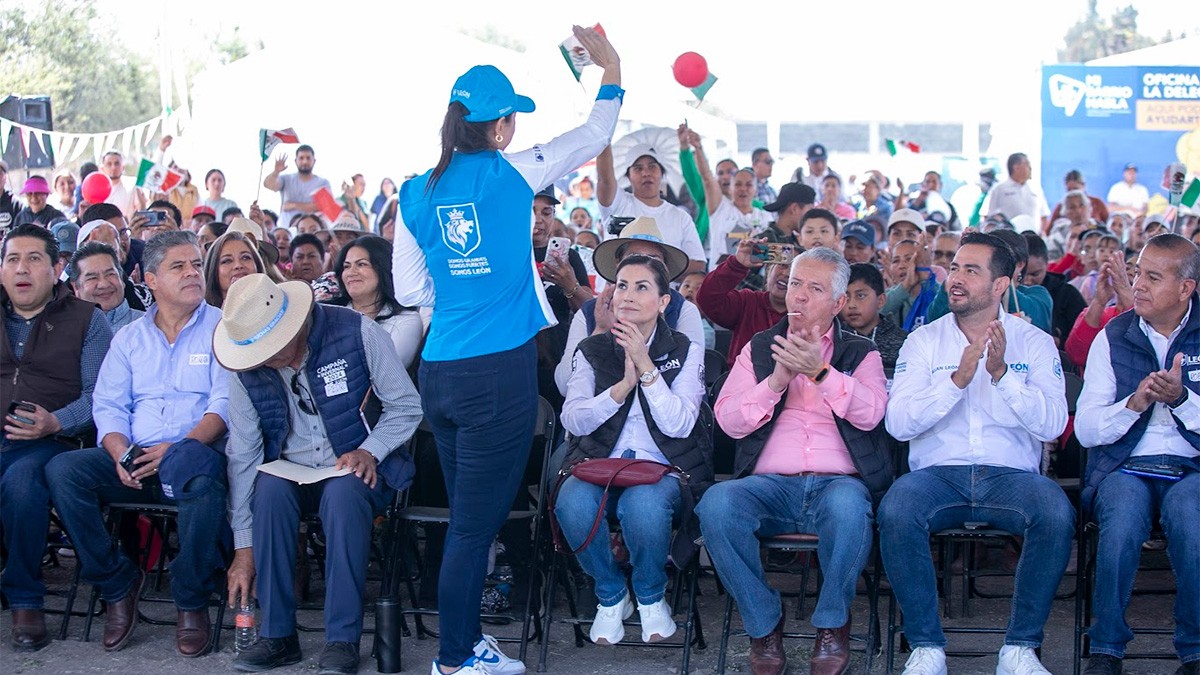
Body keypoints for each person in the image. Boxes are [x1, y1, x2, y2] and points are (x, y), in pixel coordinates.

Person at [391, 26, 622, 675]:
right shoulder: (515, 173)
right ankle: (456, 658)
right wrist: (613, 68)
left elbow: (410, 287)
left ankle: (463, 645)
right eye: (512, 118)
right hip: (498, 373)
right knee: (474, 525)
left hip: (440, 370)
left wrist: (460, 291)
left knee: (471, 521)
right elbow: (593, 134)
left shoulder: (414, 189)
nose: (515, 129)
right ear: (497, 127)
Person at [882, 232, 1073, 675]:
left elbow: (1052, 425)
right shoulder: (924, 341)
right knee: (896, 510)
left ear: (1001, 284)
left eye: (972, 270)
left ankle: (1020, 648)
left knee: (1056, 513)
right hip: (937, 475)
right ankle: (926, 646)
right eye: (955, 268)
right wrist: (955, 383)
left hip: (1011, 476)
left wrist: (1004, 376)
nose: (956, 278)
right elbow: (898, 423)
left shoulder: (1035, 342)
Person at [213, 272, 420, 674]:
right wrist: (242, 546)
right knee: (267, 491)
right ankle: (277, 636)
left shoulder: (356, 331)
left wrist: (369, 450)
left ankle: (341, 639)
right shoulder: (246, 367)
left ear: (296, 326)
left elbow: (406, 407)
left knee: (343, 497)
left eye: (272, 350)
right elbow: (243, 453)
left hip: (360, 469)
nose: (266, 361)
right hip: (291, 470)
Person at [699, 247, 891, 675]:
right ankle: (763, 624)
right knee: (716, 504)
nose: (798, 296)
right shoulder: (760, 348)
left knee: (848, 508)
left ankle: (832, 624)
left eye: (815, 288)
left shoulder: (861, 353)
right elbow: (729, 422)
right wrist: (776, 381)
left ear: (838, 303)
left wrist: (821, 372)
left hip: (836, 483)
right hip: (771, 484)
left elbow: (873, 412)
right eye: (795, 284)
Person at [46, 230, 229, 657]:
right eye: (178, 266)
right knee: (62, 470)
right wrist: (119, 452)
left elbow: (224, 404)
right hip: (135, 456)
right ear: (150, 279)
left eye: (196, 265)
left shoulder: (222, 327)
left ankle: (190, 598)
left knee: (201, 475)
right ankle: (116, 582)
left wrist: (179, 448)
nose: (191, 273)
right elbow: (107, 406)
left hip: (194, 453)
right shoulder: (129, 338)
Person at [555, 255, 712, 646]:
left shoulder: (687, 349)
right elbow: (572, 419)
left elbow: (679, 423)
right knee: (571, 502)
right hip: (598, 465)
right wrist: (621, 388)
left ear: (663, 302)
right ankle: (611, 595)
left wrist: (646, 367)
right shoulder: (593, 350)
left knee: (641, 506)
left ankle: (649, 593)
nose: (627, 295)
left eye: (642, 287)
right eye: (622, 285)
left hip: (664, 468)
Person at [1073, 233, 1200, 675]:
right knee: (1122, 522)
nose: (1138, 284)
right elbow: (1087, 429)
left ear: (1186, 288)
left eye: (1152, 277)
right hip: (1126, 466)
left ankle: (1195, 648)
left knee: (1192, 522)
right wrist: (1135, 404)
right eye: (1137, 272)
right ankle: (1106, 647)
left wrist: (1183, 400)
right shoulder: (1115, 334)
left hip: (1191, 466)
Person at [1, 224, 113, 652]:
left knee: (22, 484)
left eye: (33, 259)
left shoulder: (87, 319)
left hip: (52, 441)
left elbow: (98, 398)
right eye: (12, 259)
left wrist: (56, 422)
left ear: (57, 268)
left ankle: (25, 599)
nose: (22, 269)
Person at [554, 218, 702, 396]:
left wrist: (659, 331)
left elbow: (689, 387)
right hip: (602, 417)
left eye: (653, 259)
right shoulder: (590, 313)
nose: (642, 266)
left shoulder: (683, 310)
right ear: (618, 264)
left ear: (665, 269)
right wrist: (600, 331)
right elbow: (564, 384)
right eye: (634, 258)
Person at [596, 142, 707, 275]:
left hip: (663, 294)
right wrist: (604, 137)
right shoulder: (618, 203)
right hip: (613, 294)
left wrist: (656, 273)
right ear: (628, 176)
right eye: (638, 168)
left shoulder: (680, 217)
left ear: (662, 173)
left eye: (652, 167)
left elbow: (698, 263)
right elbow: (605, 179)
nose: (646, 173)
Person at [532, 187, 594, 408]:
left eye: (546, 212)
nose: (538, 220)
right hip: (516, 352)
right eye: (532, 211)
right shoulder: (509, 252)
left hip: (557, 354)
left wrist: (570, 285)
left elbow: (590, 310)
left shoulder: (569, 257)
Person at [331, 234, 424, 369]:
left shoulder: (406, 320)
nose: (351, 272)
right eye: (346, 266)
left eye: (361, 264)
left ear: (383, 268)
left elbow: (387, 371)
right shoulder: (330, 314)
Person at [687, 130, 770, 267]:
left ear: (756, 190)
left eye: (749, 185)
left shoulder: (766, 217)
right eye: (738, 184)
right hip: (721, 280)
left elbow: (766, 256)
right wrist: (698, 148)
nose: (743, 189)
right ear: (730, 188)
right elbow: (707, 178)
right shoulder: (719, 208)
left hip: (752, 283)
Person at [1021, 233, 1086, 348]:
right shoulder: (1002, 293)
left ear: (1047, 265)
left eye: (1035, 274)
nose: (1027, 281)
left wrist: (1060, 341)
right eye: (1020, 275)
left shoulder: (1068, 294)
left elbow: (1083, 337)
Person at [841, 263, 908, 369]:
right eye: (846, 297)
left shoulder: (903, 342)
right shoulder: (835, 340)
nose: (851, 305)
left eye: (860, 296)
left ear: (881, 300)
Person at [69, 241, 145, 331]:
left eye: (110, 274)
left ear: (122, 279)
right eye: (92, 278)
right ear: (76, 288)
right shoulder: (65, 330)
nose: (104, 284)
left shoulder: (149, 325)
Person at [263, 145, 332, 233]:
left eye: (308, 158)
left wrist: (293, 205)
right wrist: (276, 172)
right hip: (286, 231)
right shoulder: (287, 179)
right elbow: (268, 185)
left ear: (314, 161)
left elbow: (324, 206)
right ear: (296, 161)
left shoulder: (322, 183)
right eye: (301, 158)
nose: (305, 161)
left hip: (312, 232)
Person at [985, 152, 1050, 235]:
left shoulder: (1036, 188)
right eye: (1027, 164)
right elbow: (988, 216)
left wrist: (1042, 234)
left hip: (1033, 239)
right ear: (1016, 167)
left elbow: (1043, 216)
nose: (1030, 168)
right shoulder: (999, 189)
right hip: (1009, 240)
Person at [203, 230, 269, 308]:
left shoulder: (278, 304)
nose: (238, 265)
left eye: (245, 257)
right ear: (213, 271)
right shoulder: (203, 317)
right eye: (227, 261)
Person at [100, 150, 145, 219]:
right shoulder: (98, 188)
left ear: (123, 167)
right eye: (109, 164)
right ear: (102, 169)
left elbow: (141, 210)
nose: (113, 167)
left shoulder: (133, 184)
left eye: (117, 163)